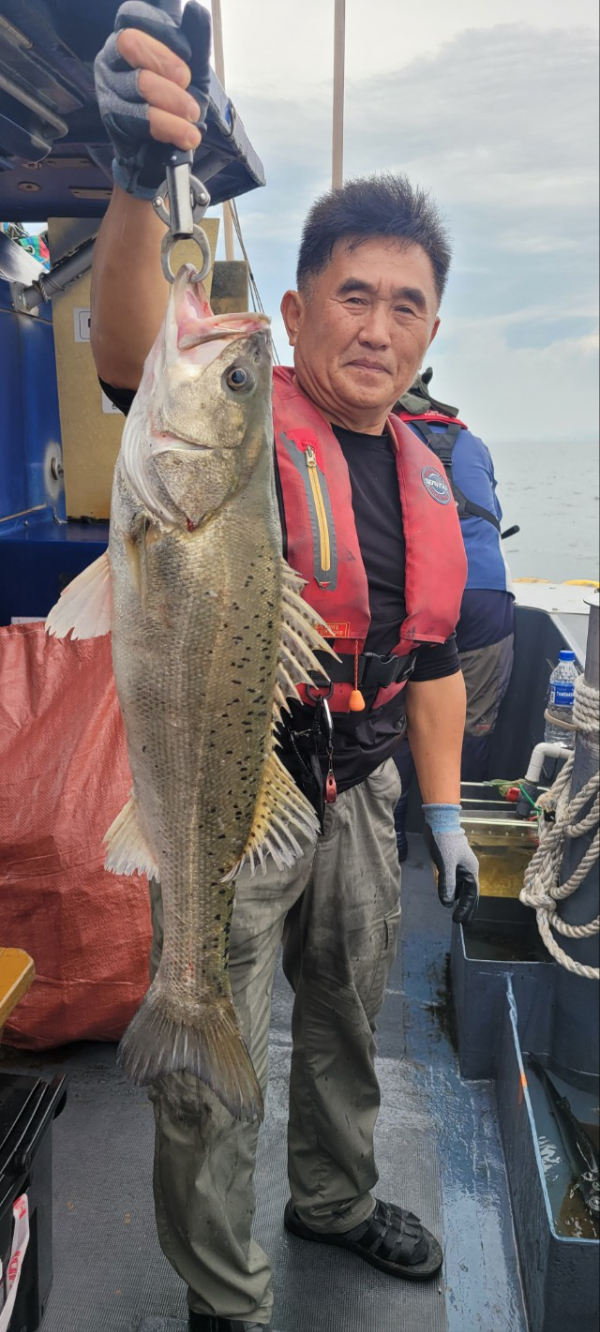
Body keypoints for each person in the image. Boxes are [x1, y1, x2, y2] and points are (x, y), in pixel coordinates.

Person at [91, 6, 480, 1329]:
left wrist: (441, 814)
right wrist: (139, 184)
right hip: (236, 776)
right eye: (353, 297)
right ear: (301, 309)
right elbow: (132, 350)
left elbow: (433, 657)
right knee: (210, 1041)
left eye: (406, 305)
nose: (378, 327)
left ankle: (334, 1196)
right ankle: (221, 1286)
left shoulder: (436, 466)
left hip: (365, 787)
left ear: (431, 328)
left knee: (348, 1019)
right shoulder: (237, 422)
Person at [392, 370, 516, 860]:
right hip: (487, 593)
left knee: (399, 715)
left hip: (419, 593)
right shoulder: (474, 444)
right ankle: (461, 844)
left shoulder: (384, 436)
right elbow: (489, 511)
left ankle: (393, 836)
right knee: (475, 722)